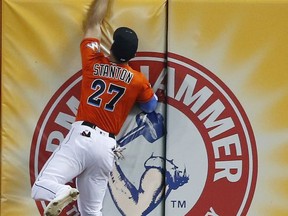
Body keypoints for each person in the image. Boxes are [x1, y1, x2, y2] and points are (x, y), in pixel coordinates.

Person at [31, 0, 158, 215]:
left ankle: (61, 190)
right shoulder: (137, 80)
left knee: (41, 187)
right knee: (92, 212)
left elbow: (93, 24)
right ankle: (63, 193)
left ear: (112, 47)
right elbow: (150, 106)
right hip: (107, 148)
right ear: (133, 55)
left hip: (83, 137)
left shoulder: (93, 61)